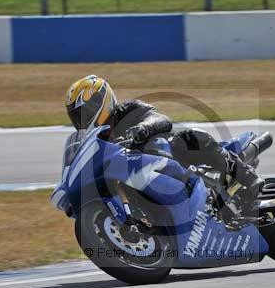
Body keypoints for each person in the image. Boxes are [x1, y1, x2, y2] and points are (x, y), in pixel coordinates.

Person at [59, 74, 263, 205]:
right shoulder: (96, 142)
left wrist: (141, 129)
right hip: (138, 177)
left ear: (101, 102)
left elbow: (160, 119)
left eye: (86, 112)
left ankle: (248, 178)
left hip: (169, 153)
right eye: (77, 116)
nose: (83, 120)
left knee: (193, 137)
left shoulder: (128, 110)